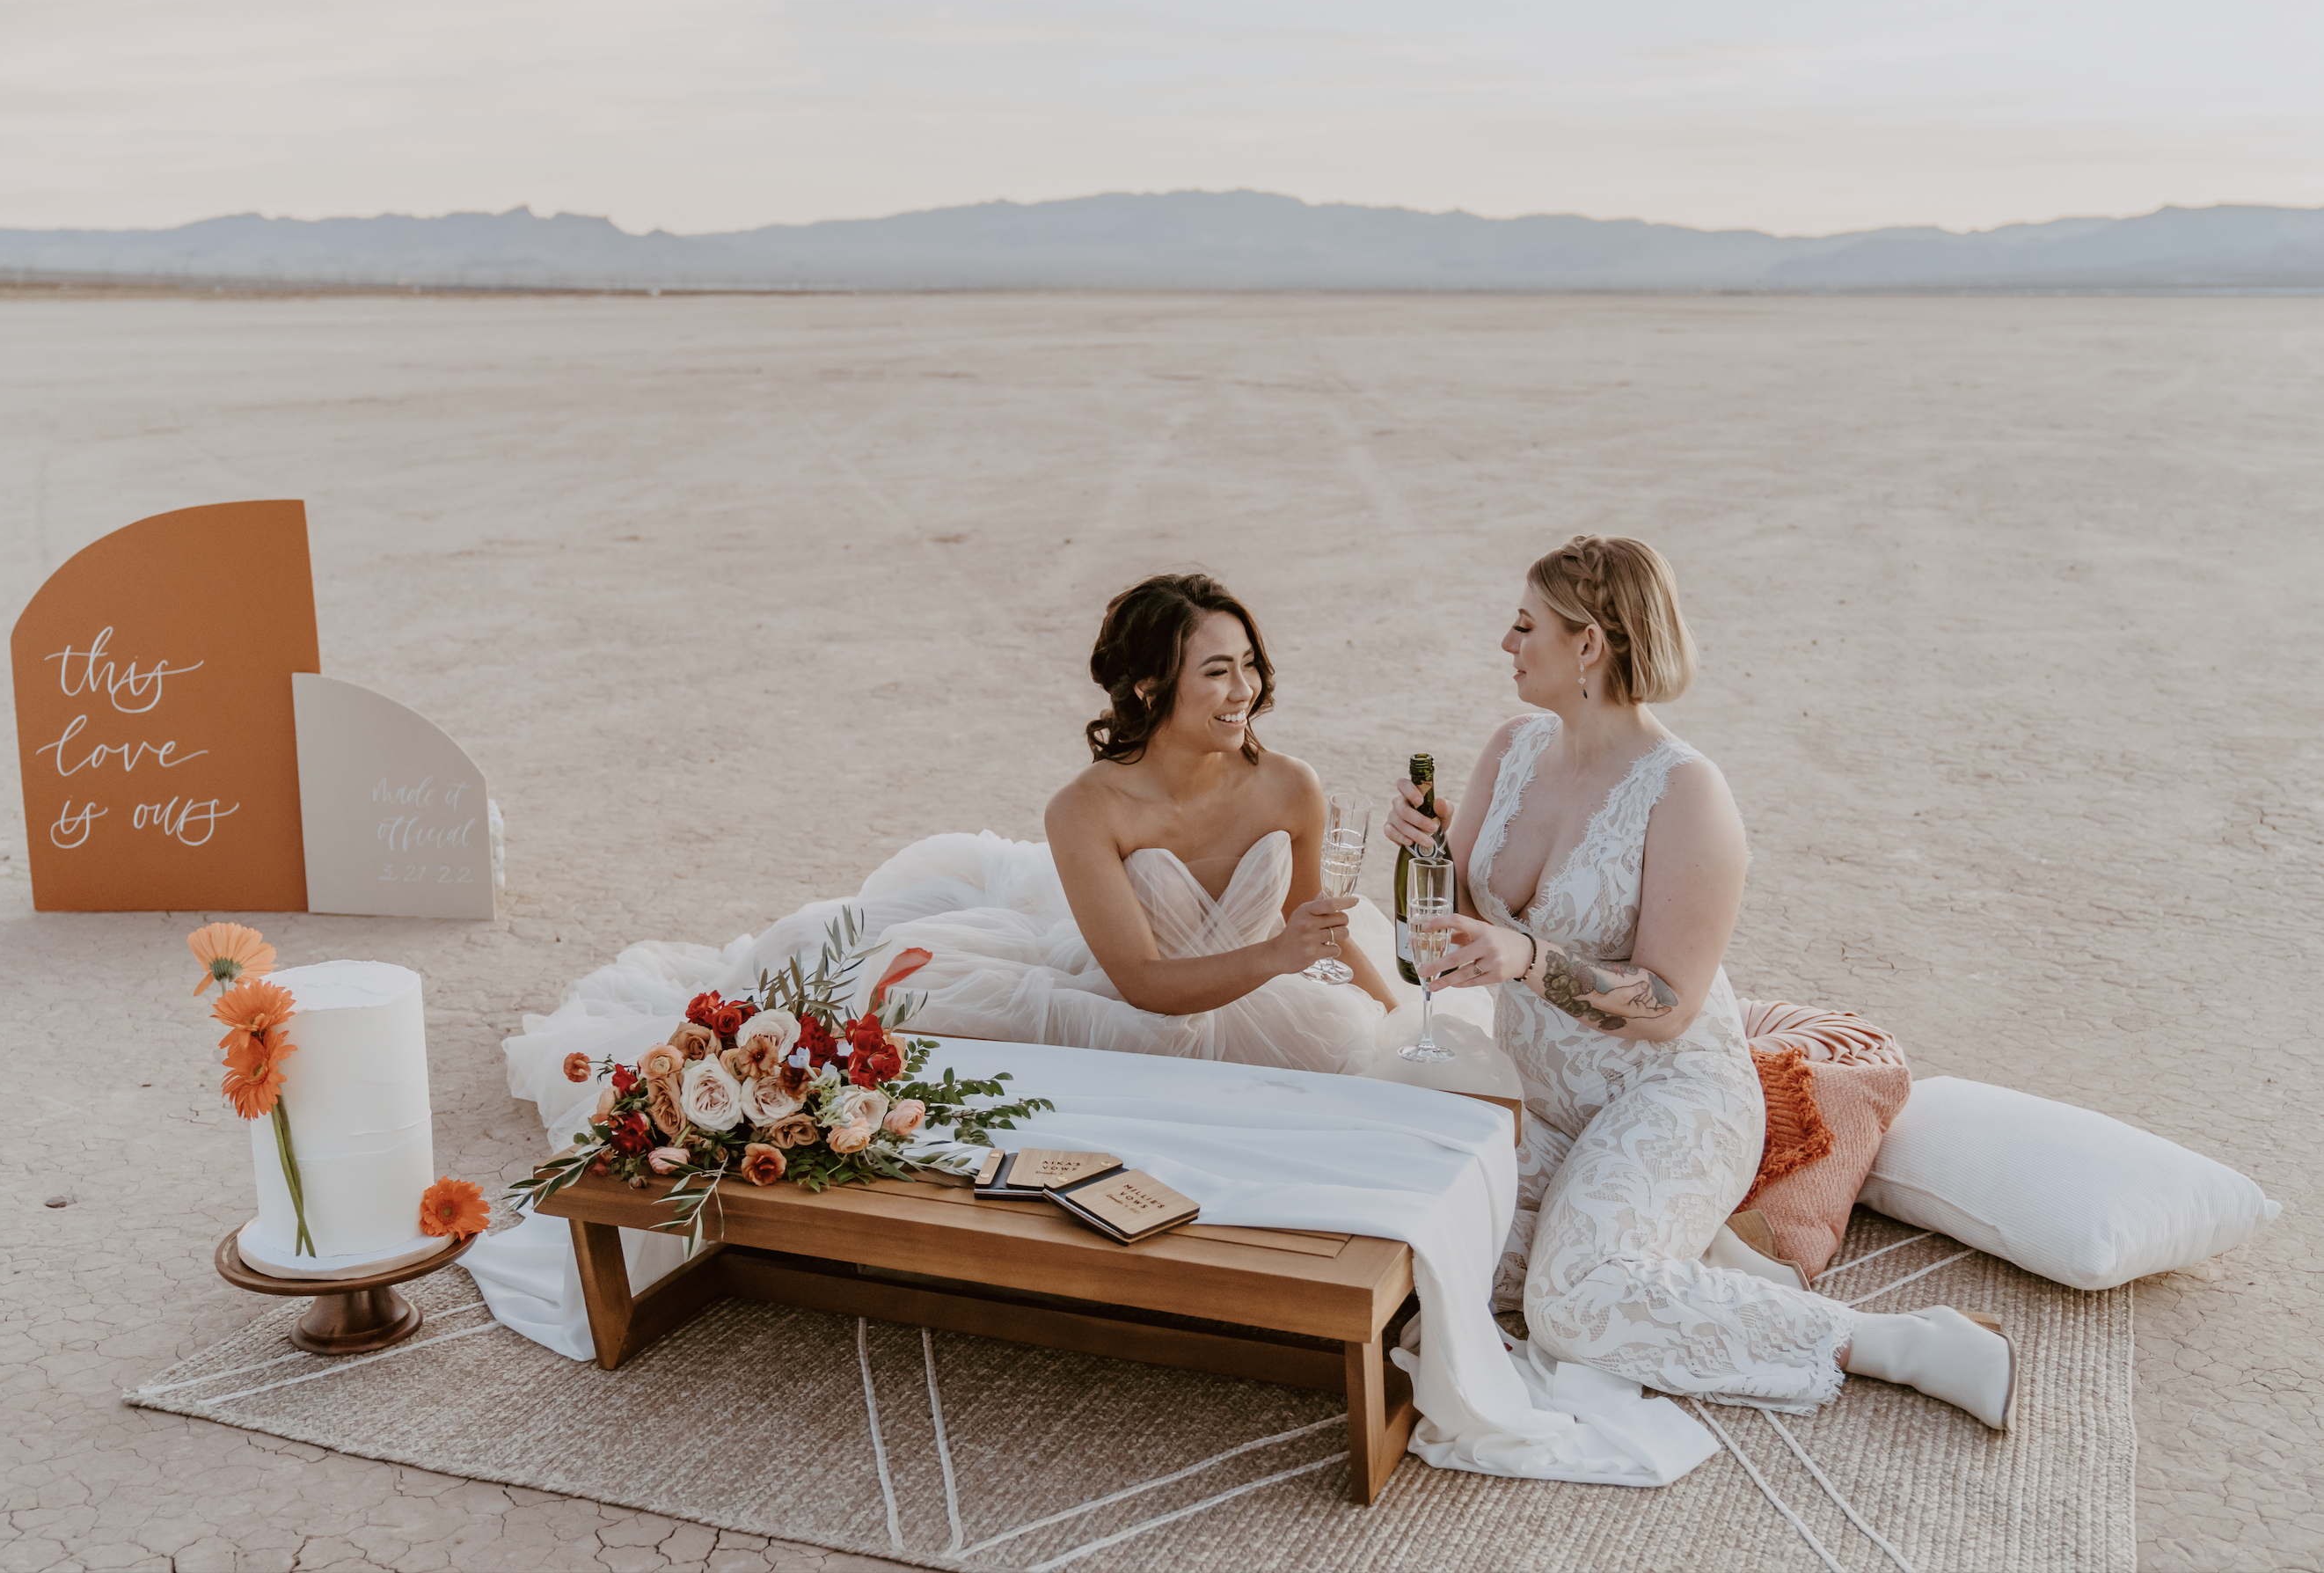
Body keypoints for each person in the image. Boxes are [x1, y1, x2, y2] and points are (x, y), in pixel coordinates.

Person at [1385, 535, 2018, 1429]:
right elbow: (1463, 908)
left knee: (1570, 1304)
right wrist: (1431, 845)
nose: (1506, 643)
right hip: (1540, 1101)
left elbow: (1668, 1005)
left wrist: (1524, 958)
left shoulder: (1685, 792)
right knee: (1423, 1257)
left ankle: (1899, 1341)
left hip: (1671, 1096)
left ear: (1588, 645)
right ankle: (1690, 1252)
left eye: (1525, 626)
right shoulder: (1511, 748)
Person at [712, 572, 1394, 1074]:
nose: (1244, 689)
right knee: (910, 996)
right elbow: (1141, 983)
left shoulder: (1290, 786)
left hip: (1272, 1015)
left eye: (1248, 665)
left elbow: (1317, 930)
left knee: (1368, 1052)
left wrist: (1397, 1021)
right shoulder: (1085, 809)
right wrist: (1275, 957)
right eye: (1217, 671)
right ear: (1148, 687)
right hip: (1136, 1014)